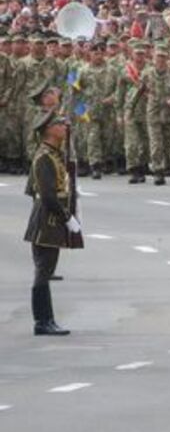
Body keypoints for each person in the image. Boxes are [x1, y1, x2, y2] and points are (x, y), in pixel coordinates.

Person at [25, 111, 82, 335]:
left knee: (46, 269)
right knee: (43, 270)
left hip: (51, 218)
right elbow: (47, 195)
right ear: (49, 129)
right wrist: (66, 217)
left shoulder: (54, 153)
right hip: (47, 220)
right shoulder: (45, 157)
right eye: (59, 124)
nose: (64, 126)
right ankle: (42, 321)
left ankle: (46, 320)